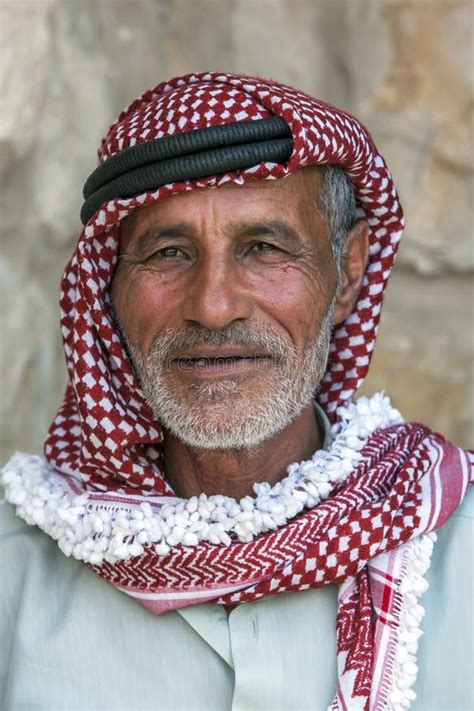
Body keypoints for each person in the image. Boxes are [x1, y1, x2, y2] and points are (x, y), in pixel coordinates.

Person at [0, 72, 472, 711]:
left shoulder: (453, 542)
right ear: (109, 288)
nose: (214, 306)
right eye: (168, 252)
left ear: (350, 271)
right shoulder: (15, 571)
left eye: (263, 247)